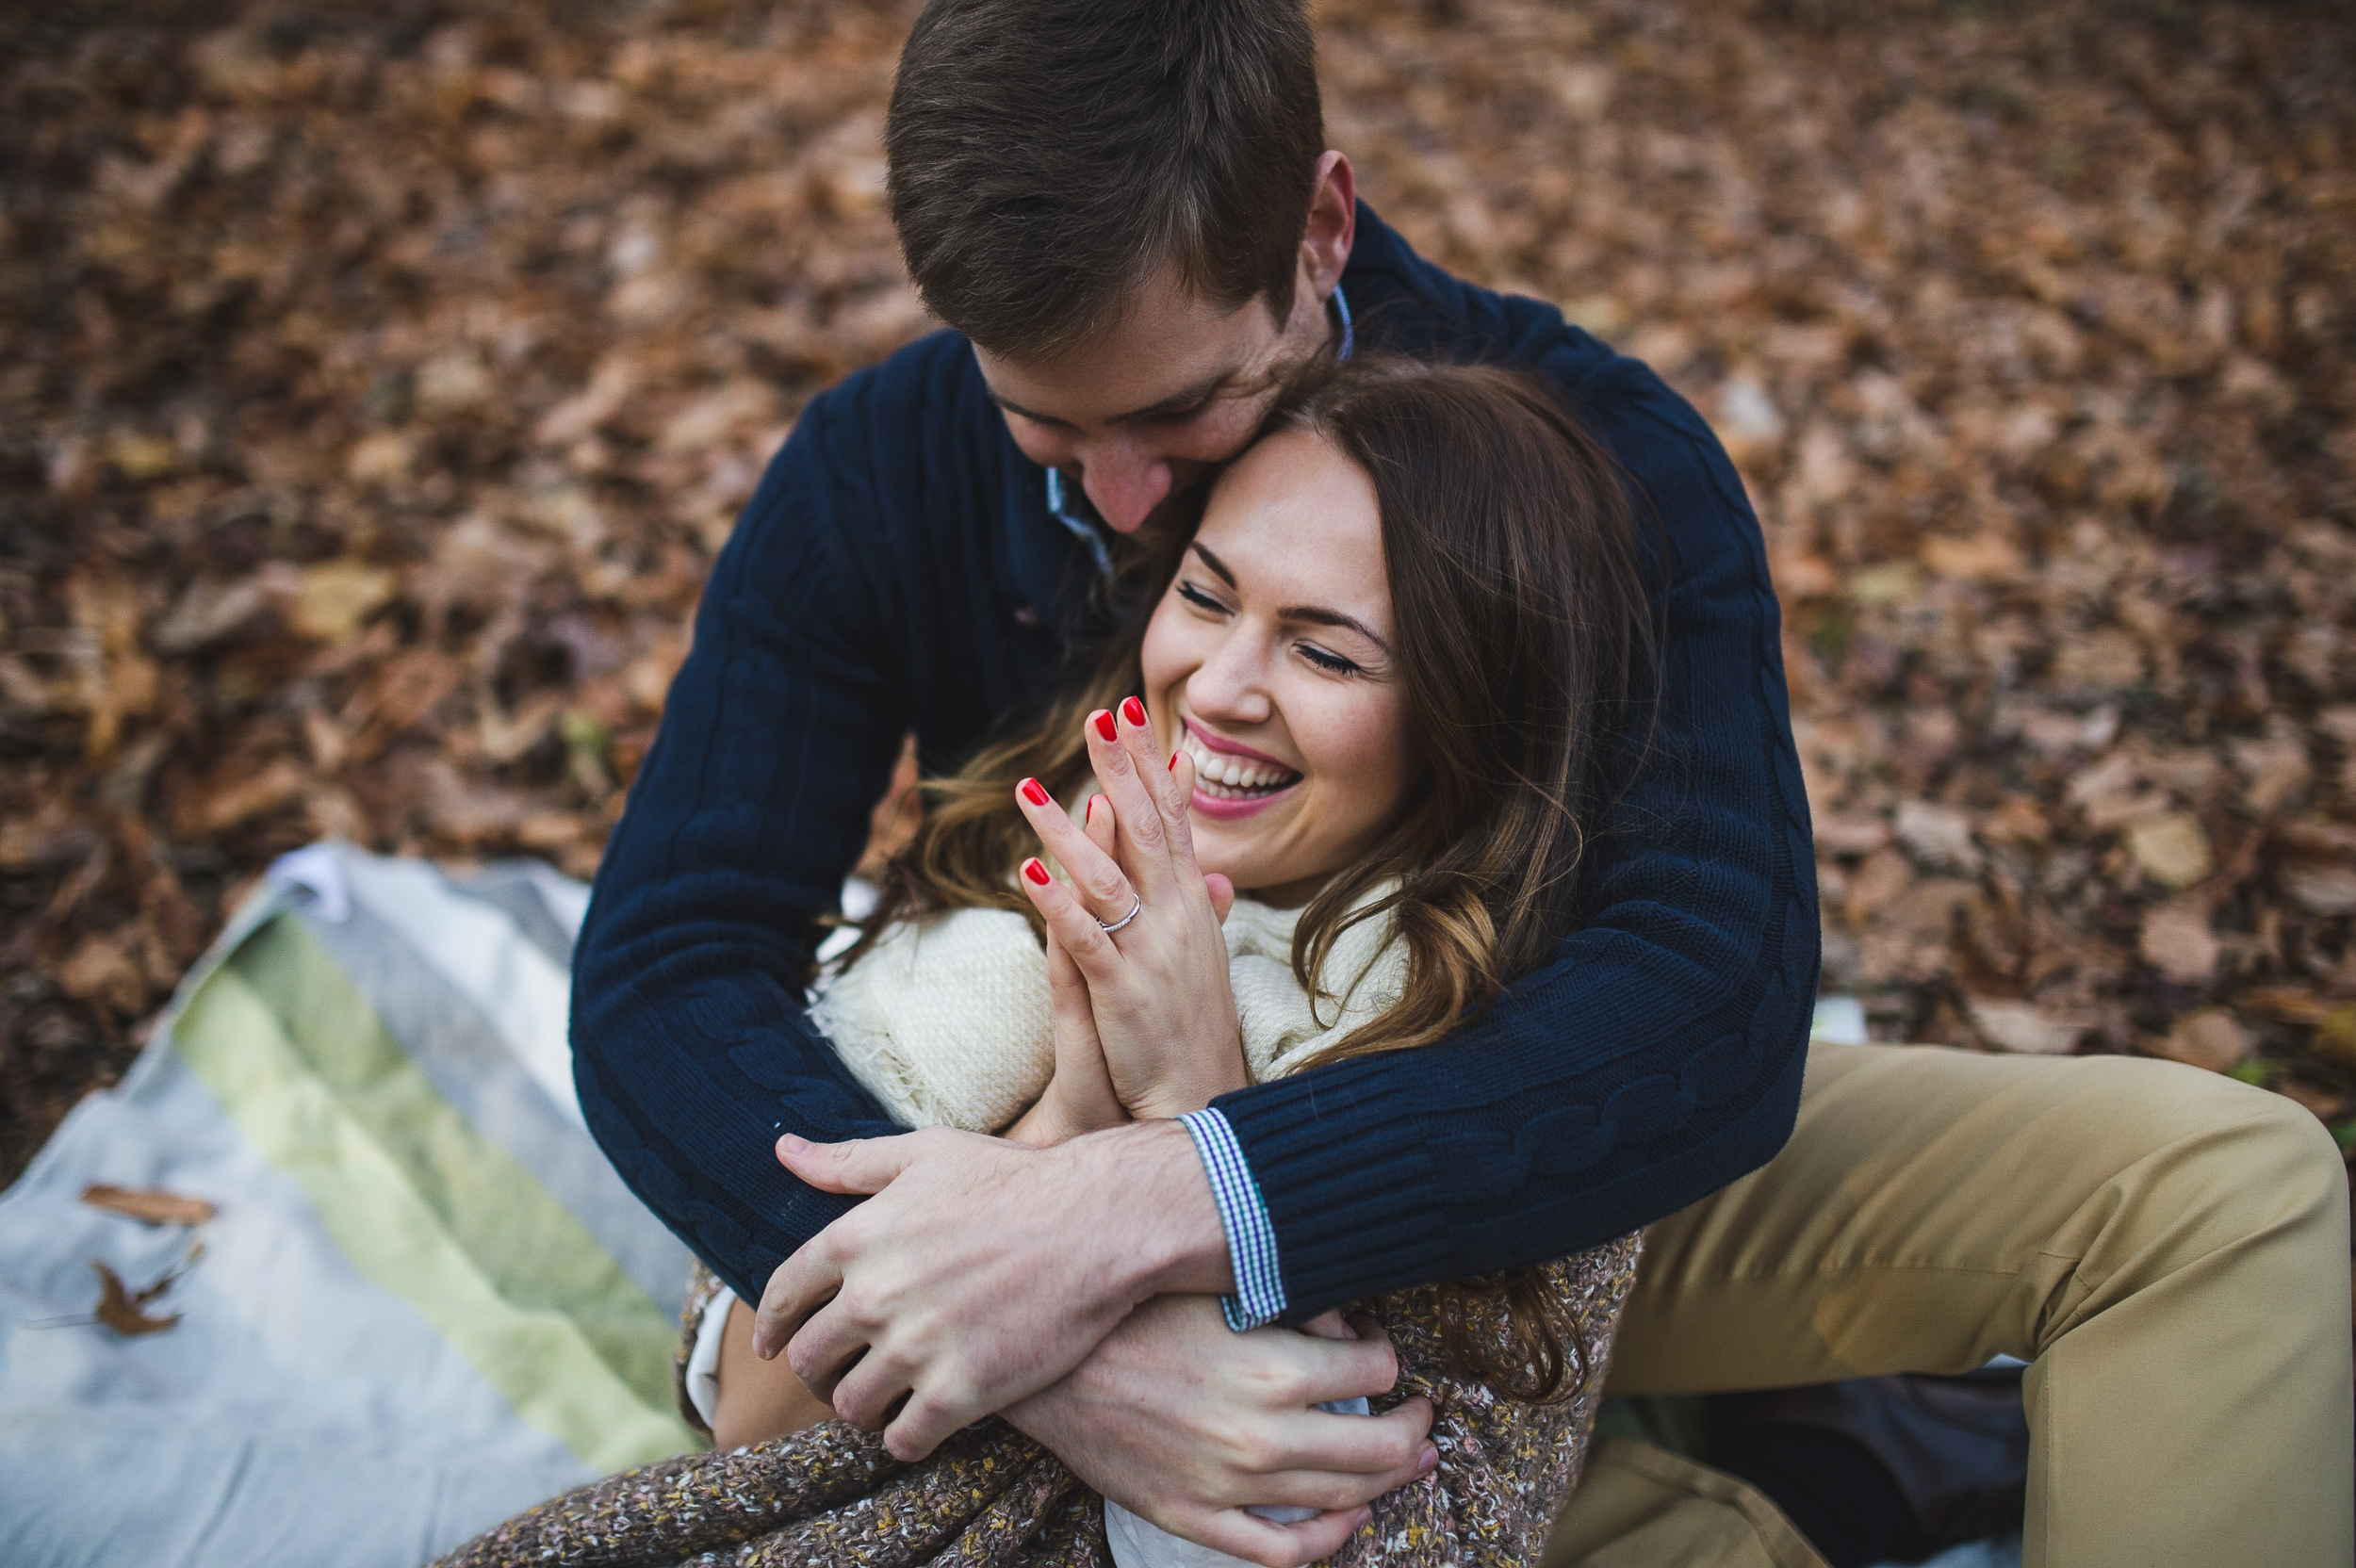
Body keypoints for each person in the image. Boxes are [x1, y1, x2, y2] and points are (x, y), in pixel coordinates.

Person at [571, 2, 2354, 1564]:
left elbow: (1709, 993)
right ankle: (1830, 1480)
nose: (1124, 500)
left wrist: (1150, 1214)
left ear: (1320, 226)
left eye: (1183, 416)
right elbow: (669, 963)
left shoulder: (1597, 456)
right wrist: (1055, 1339)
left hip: (1524, 1168)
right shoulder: (873, 470)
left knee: (2221, 1189)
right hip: (1156, 1187)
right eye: (1047, 425)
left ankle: (1803, 1439)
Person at [449, 354, 1652, 1568]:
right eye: (1207, 595)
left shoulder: (1515, 1064)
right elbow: (750, 1428)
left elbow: (1368, 1536)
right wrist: (1068, 1122)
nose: (1221, 688)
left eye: (1328, 654)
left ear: (1473, 717)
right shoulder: (985, 919)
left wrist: (1196, 1102)